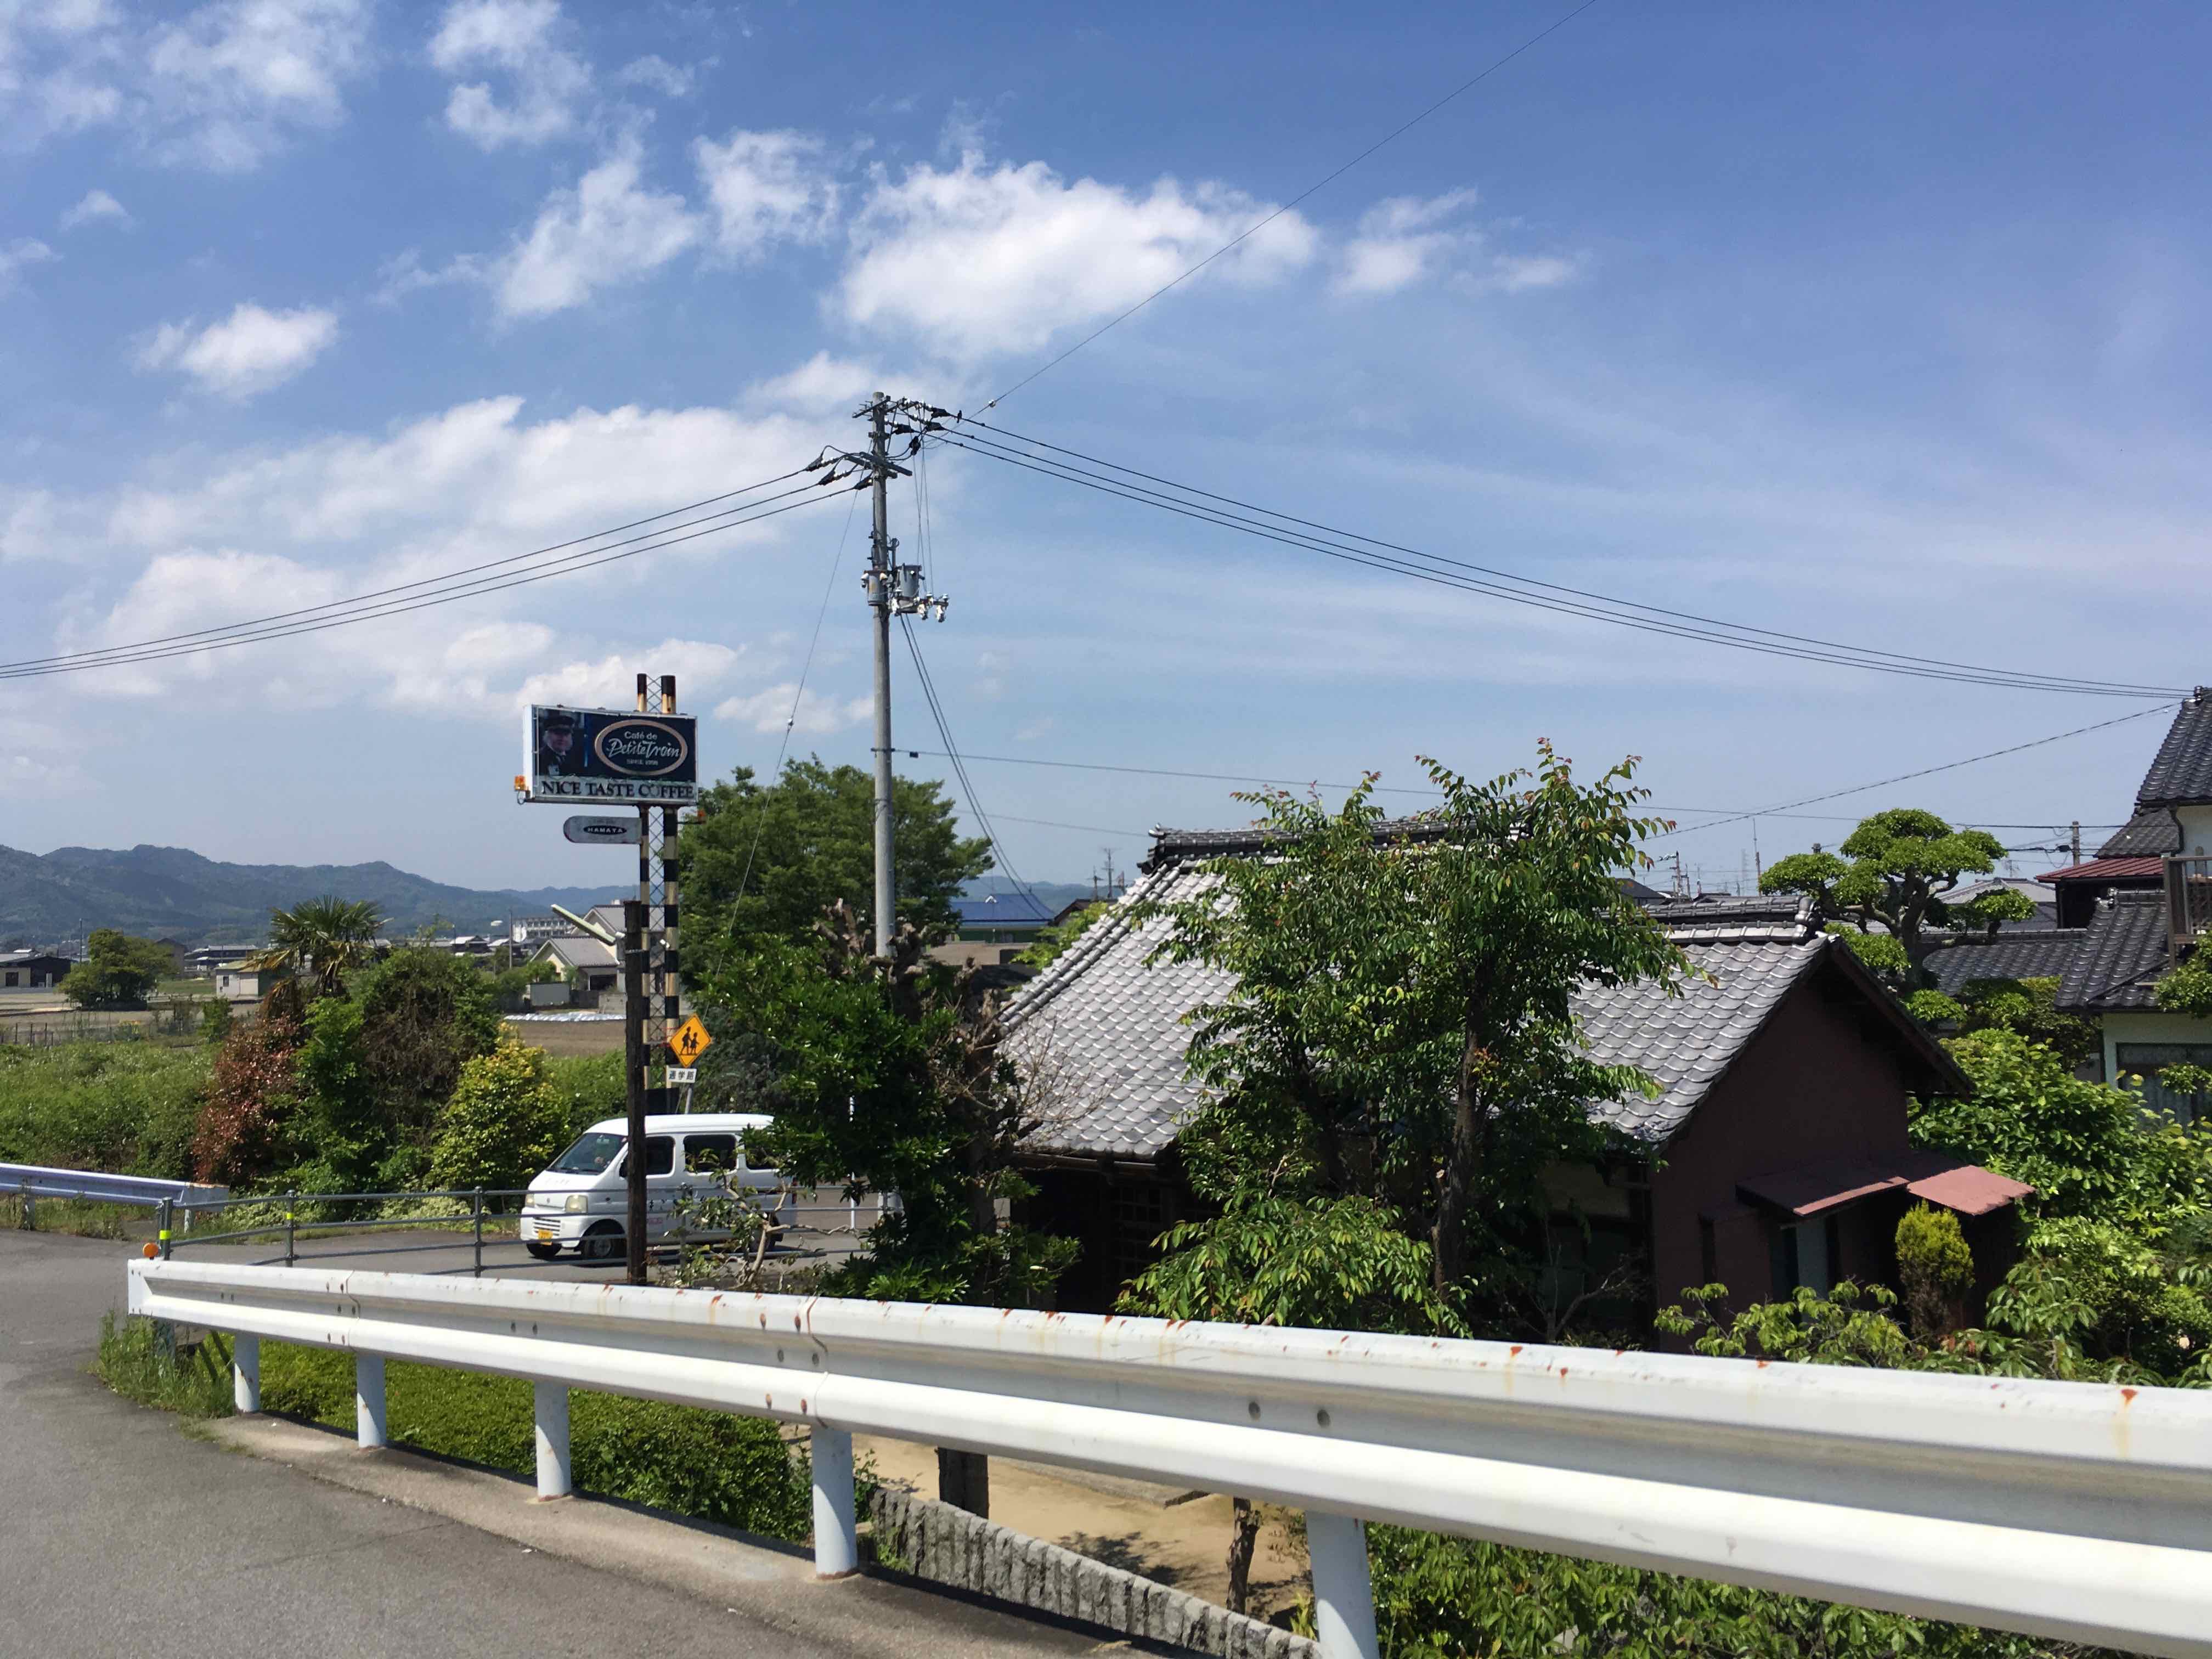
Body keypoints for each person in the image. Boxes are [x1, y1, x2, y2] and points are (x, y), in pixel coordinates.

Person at [538, 710, 586, 776]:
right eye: (558, 733)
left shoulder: (575, 759)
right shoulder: (539, 758)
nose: (562, 738)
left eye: (566, 734)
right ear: (548, 735)